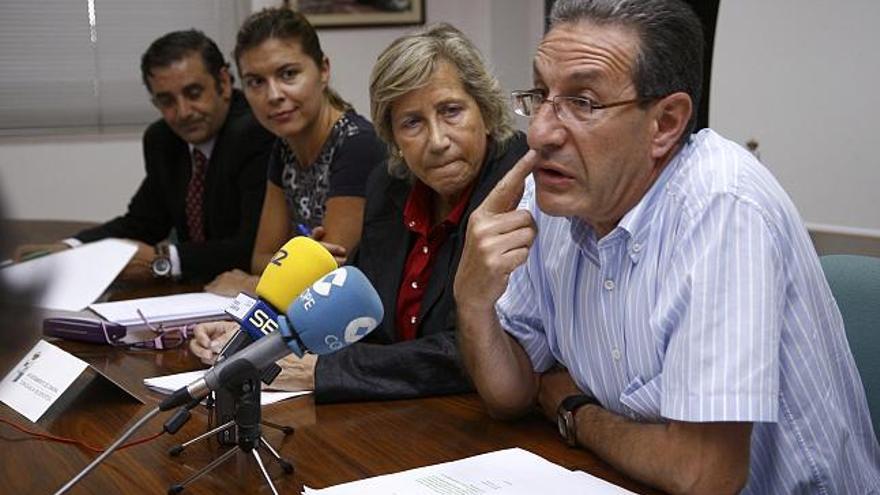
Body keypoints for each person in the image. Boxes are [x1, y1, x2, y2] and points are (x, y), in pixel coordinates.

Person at [453, 1, 880, 494]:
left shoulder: (722, 206)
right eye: (542, 95)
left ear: (666, 123)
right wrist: (474, 298)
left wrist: (576, 413)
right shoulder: (551, 195)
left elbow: (703, 473)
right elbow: (511, 394)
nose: (542, 132)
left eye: (583, 102)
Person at [192, 23, 528, 403]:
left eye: (451, 111)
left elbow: (480, 349)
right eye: (412, 122)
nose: (437, 141)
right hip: (400, 413)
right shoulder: (389, 185)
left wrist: (325, 371)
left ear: (484, 110)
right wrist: (257, 342)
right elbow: (357, 317)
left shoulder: (518, 189)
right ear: (393, 137)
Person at [14, 30, 274, 283]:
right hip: (194, 290)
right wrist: (70, 248)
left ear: (224, 83)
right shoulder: (162, 139)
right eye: (166, 101)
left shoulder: (256, 132)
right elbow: (143, 222)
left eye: (194, 93)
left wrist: (162, 261)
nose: (183, 112)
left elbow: (249, 248)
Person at [204, 7, 384, 296]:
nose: (273, 95)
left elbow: (326, 283)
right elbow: (260, 258)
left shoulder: (358, 145)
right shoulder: (283, 147)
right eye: (256, 82)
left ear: (323, 70)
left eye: (288, 74)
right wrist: (296, 266)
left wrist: (248, 286)